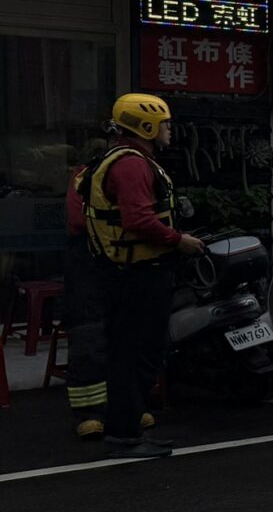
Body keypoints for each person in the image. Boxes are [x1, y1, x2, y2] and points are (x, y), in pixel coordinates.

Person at [79, 93, 207, 459]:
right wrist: (178, 241)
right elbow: (138, 221)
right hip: (137, 275)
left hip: (129, 272)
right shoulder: (132, 165)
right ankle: (125, 434)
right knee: (136, 355)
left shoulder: (123, 160)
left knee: (132, 352)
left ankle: (128, 430)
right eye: (164, 123)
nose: (169, 130)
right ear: (147, 126)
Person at [61, 139, 111, 440]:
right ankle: (88, 412)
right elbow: (81, 219)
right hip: (87, 266)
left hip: (111, 265)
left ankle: (121, 406)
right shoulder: (84, 178)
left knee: (118, 336)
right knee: (88, 336)